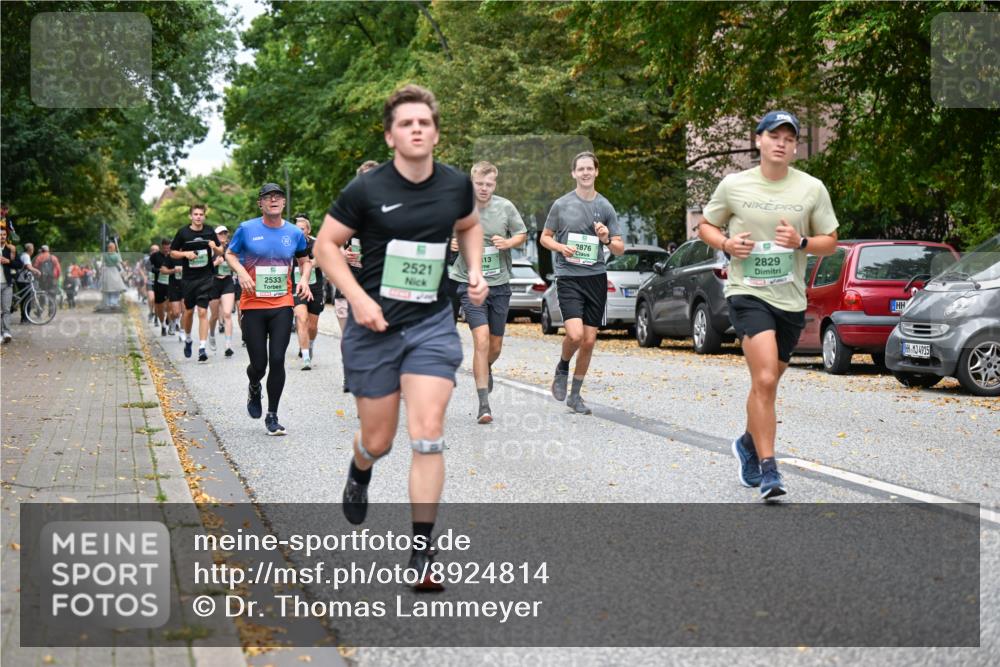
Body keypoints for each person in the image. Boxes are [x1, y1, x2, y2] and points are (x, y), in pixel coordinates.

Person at [315, 84, 486, 588]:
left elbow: (469, 225)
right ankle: (360, 467)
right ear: (391, 136)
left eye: (425, 123)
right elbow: (326, 245)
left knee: (428, 432)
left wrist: (474, 270)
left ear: (435, 133)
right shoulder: (366, 190)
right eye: (406, 123)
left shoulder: (456, 185)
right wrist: (359, 299)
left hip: (431, 324)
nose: (417, 129)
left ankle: (423, 553)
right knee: (379, 439)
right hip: (375, 329)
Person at [698, 110, 839, 501]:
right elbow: (706, 226)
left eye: (788, 138)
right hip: (747, 292)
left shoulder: (811, 188)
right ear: (758, 140)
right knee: (762, 379)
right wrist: (726, 244)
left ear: (795, 147)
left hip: (790, 299)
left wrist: (803, 243)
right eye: (773, 135)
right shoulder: (734, 185)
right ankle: (769, 469)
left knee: (769, 381)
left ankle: (746, 442)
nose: (781, 143)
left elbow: (831, 239)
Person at [540, 151, 624, 415]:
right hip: (568, 277)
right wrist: (561, 248)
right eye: (581, 169)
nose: (586, 173)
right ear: (574, 173)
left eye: (590, 168)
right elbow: (545, 237)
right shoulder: (561, 205)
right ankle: (562, 366)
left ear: (596, 172)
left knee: (589, 340)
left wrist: (607, 238)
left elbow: (620, 248)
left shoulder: (606, 207)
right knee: (575, 335)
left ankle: (575, 395)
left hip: (595, 277)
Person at [226, 183, 311, 436]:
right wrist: (241, 271)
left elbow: (304, 261)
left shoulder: (295, 233)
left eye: (278, 197)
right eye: (267, 197)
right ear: (260, 203)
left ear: (283, 203)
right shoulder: (247, 229)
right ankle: (254, 385)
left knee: (277, 359)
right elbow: (230, 254)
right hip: (252, 304)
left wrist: (304, 279)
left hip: (282, 304)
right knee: (259, 364)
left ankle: (272, 415)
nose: (273, 200)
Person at [449, 161, 527, 424]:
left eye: (489, 184)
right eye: (479, 184)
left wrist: (508, 242)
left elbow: (521, 234)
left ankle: (487, 367)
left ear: (495, 183)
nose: (484, 188)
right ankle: (484, 404)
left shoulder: (505, 207)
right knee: (480, 341)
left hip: (499, 284)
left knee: (494, 346)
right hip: (469, 283)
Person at [171, 204, 222, 363]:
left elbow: (221, 251)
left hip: (206, 277)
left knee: (202, 312)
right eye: (196, 214)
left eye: (201, 214)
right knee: (188, 312)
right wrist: (185, 253)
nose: (198, 217)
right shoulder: (183, 232)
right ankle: (188, 339)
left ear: (204, 216)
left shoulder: (209, 231)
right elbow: (173, 252)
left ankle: (202, 348)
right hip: (189, 278)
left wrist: (215, 247)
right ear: (190, 216)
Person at [291, 214, 325, 370]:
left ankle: (310, 345)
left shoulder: (316, 244)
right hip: (297, 286)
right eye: (297, 229)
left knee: (312, 325)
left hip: (315, 287)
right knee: (301, 318)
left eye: (302, 229)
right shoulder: (290, 244)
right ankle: (305, 357)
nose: (299, 232)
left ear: (308, 230)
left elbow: (320, 259)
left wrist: (308, 263)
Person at [208, 226, 236, 357]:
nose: (223, 235)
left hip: (227, 282)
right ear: (215, 235)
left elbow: (236, 264)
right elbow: (203, 268)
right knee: (214, 316)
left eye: (225, 233)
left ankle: (228, 345)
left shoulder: (231, 247)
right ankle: (212, 335)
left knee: (227, 313)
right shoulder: (211, 249)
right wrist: (216, 263)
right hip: (213, 282)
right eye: (220, 233)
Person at [1, 228, 23, 343]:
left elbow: (20, 264)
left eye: (4, 235)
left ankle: (6, 332)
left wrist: (8, 261)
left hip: (7, 284)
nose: (2, 237)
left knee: (6, 309)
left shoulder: (10, 250)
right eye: (0, 235)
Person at [100, 242, 126, 309]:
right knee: (116, 288)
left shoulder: (105, 255)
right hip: (114, 271)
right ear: (114, 248)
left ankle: (108, 303)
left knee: (108, 288)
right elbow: (120, 263)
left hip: (107, 271)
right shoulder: (117, 255)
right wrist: (124, 263)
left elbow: (102, 264)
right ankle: (113, 303)